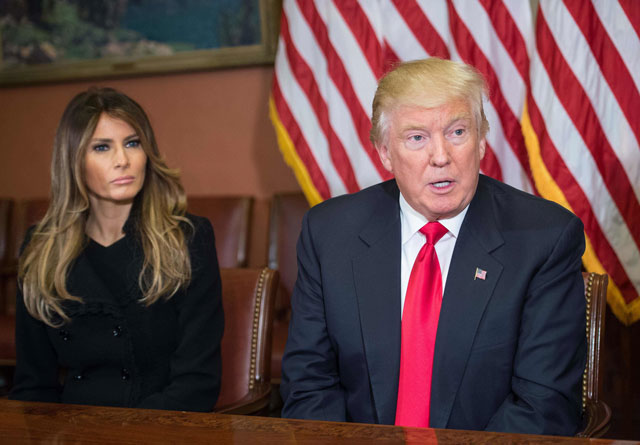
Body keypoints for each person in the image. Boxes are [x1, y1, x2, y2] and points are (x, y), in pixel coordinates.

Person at [280, 58, 586, 435]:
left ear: (482, 140)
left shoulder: (545, 238)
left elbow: (543, 405)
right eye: (417, 138)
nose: (441, 157)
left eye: (457, 132)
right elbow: (309, 386)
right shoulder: (329, 233)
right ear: (384, 152)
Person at [10, 87, 224, 412]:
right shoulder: (41, 248)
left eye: (132, 143)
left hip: (160, 429)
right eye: (101, 147)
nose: (122, 160)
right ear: (73, 161)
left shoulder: (188, 237)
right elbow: (33, 386)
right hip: (72, 431)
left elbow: (197, 384)